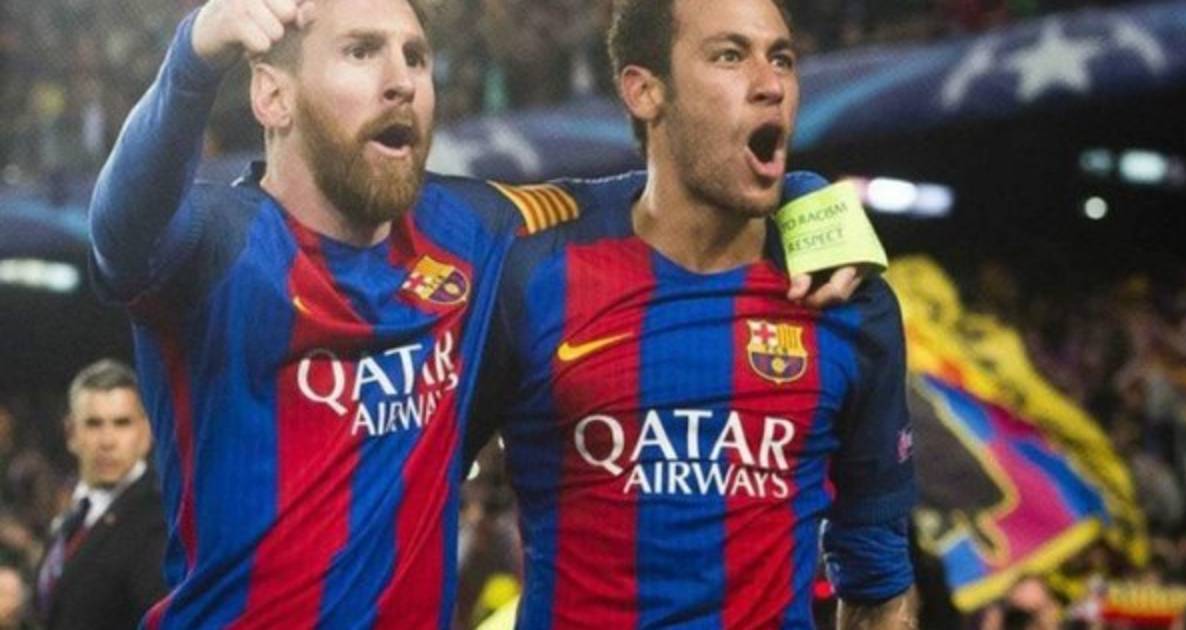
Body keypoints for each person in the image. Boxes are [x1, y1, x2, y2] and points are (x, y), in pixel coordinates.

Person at [88, 0, 869, 625]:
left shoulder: (470, 229)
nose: (401, 80)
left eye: (416, 57)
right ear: (273, 95)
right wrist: (192, 60)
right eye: (361, 51)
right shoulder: (214, 245)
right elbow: (120, 231)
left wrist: (805, 201)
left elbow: (659, 196)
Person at [466, 0, 917, 627]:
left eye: (782, 58)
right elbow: (410, 486)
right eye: (730, 56)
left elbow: (879, 581)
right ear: (644, 90)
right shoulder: (533, 269)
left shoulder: (845, 295)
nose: (770, 84)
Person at [33, 360, 165, 630]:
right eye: (94, 424)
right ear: (71, 433)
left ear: (146, 432)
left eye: (122, 423)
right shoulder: (73, 517)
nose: (107, 441)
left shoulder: (161, 516)